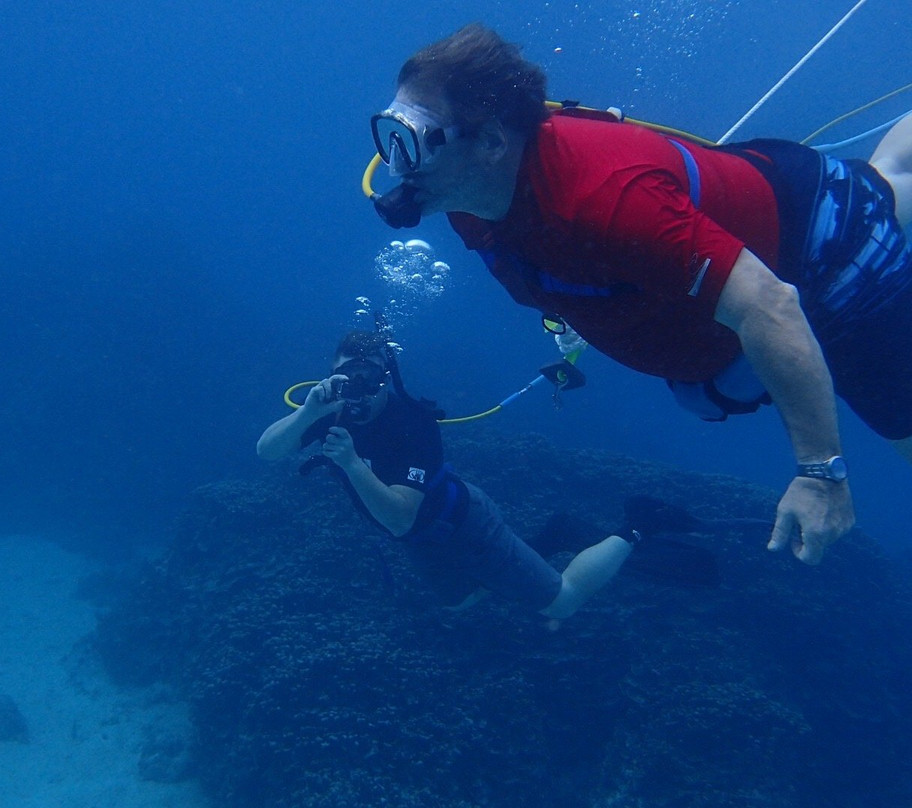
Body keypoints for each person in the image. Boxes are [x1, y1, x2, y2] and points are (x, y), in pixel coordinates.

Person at [368, 23, 912, 566]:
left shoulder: (606, 199)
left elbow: (768, 305)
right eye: (390, 131)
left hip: (830, 256)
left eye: (413, 136)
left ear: (490, 141)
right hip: (771, 200)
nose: (396, 163)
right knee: (884, 182)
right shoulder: (469, 199)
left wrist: (820, 473)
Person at [256, 330, 638, 629]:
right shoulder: (327, 410)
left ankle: (637, 527)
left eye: (367, 373)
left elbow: (400, 517)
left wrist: (353, 464)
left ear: (385, 378)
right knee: (460, 602)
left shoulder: (413, 424)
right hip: (420, 541)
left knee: (562, 602)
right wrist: (307, 414)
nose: (356, 383)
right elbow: (267, 451)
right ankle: (540, 545)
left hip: (465, 524)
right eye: (347, 373)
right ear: (332, 374)